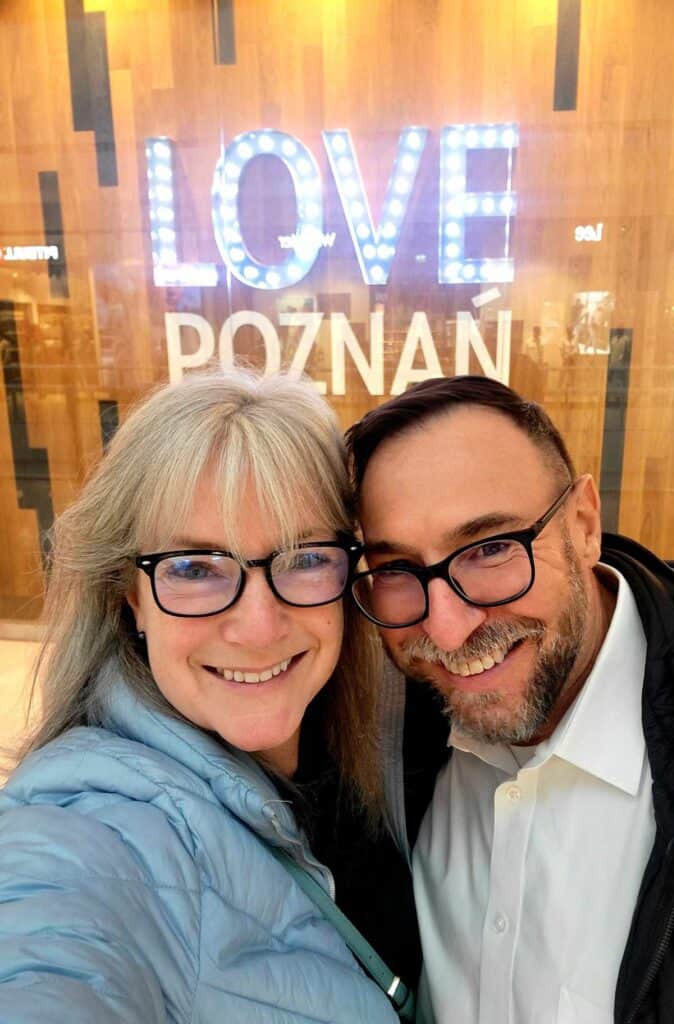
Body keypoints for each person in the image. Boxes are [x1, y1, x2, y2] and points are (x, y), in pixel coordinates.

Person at [346, 375, 674, 1024]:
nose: (448, 628)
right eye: (398, 570)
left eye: (490, 549)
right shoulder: (389, 731)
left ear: (585, 525)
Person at [0, 368, 415, 1022]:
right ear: (131, 597)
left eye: (306, 558)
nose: (258, 627)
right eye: (195, 569)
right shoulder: (93, 830)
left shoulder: (388, 740)